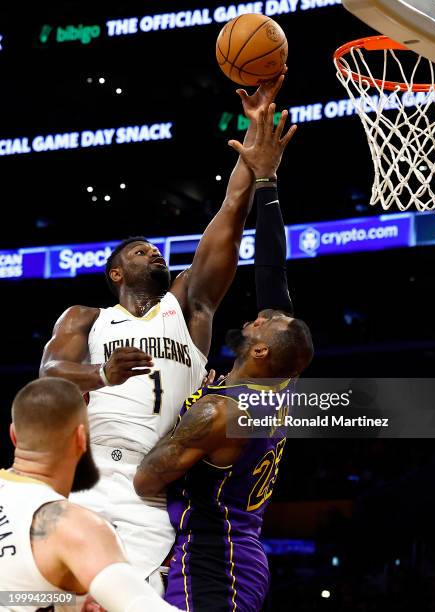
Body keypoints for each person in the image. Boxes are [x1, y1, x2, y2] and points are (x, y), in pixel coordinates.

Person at [38, 75, 288, 591]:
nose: (152, 251)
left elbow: (229, 215)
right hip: (89, 482)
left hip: (157, 495)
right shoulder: (85, 318)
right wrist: (99, 372)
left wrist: (254, 144)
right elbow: (47, 379)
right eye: (137, 251)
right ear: (115, 273)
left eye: (154, 248)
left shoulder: (189, 308)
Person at [134, 103, 314, 612]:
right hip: (232, 552)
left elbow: (148, 476)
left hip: (215, 561)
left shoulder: (222, 409)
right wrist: (267, 183)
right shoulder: (273, 387)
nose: (260, 314)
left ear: (260, 350)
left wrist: (172, 397)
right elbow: (273, 274)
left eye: (266, 322)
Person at [0, 377, 183, 612]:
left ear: (14, 435)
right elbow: (141, 606)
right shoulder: (74, 527)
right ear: (81, 438)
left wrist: (69, 601)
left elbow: (10, 595)